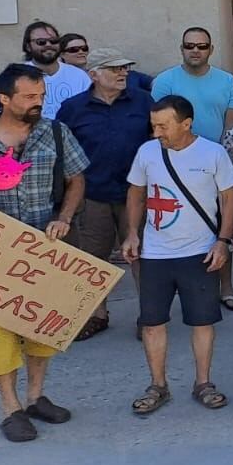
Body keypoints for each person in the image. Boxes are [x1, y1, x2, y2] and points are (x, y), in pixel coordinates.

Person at [124, 95, 233, 416]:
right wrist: (132, 232)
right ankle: (157, 385)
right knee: (152, 323)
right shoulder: (147, 152)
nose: (156, 132)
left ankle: (203, 383)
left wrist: (223, 241)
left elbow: (229, 199)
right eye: (154, 125)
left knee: (202, 322)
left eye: (164, 125)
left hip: (199, 252)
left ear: (186, 124)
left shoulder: (213, 153)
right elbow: (136, 193)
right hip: (156, 253)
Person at [0, 64, 87, 441]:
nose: (38, 103)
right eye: (29, 97)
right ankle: (11, 408)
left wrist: (64, 217)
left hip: (45, 250)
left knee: (42, 326)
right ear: (4, 99)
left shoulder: (56, 132)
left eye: (41, 96)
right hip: (1, 254)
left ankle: (36, 397)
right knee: (1, 332)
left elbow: (76, 179)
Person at [58, 49, 153, 339]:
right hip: (92, 194)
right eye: (114, 69)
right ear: (94, 74)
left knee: (143, 256)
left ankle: (149, 316)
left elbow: (158, 138)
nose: (123, 73)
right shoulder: (73, 108)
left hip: (135, 193)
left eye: (125, 67)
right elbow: (62, 151)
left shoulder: (143, 101)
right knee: (91, 259)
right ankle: (96, 315)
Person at [151, 27, 233, 143]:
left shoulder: (227, 80)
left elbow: (231, 125)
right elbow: (157, 123)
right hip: (175, 150)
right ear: (182, 49)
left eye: (202, 46)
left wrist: (220, 150)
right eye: (189, 46)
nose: (195, 50)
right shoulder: (164, 81)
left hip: (216, 151)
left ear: (211, 50)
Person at [21, 21, 92, 119]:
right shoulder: (17, 76)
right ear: (28, 46)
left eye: (53, 41)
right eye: (41, 42)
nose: (48, 45)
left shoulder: (79, 76)